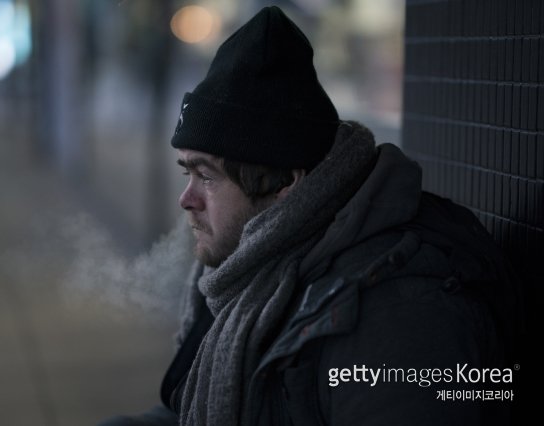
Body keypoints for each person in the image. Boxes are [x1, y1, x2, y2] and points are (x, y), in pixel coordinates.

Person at [101, 6, 521, 426]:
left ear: (284, 182)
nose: (186, 199)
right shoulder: (242, 274)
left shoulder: (401, 318)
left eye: (206, 176)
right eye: (186, 171)